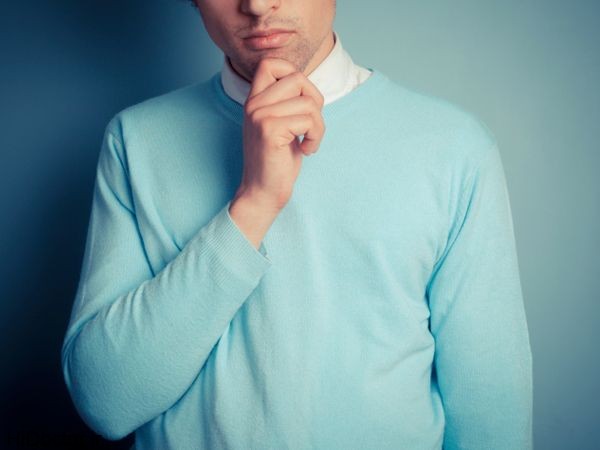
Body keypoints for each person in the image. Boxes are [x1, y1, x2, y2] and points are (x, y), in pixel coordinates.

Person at [60, 0, 533, 449]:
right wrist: (255, 202)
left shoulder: (454, 149)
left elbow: (491, 416)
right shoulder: (136, 140)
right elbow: (106, 402)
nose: (257, 5)